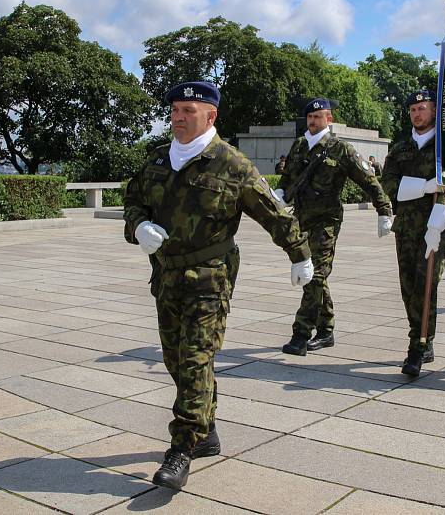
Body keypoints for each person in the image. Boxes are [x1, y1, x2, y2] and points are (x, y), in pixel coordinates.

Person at [123, 81, 313, 489]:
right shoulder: (158, 160)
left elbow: (274, 213)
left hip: (211, 277)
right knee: (177, 359)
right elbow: (133, 199)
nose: (177, 117)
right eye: (174, 109)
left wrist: (301, 255)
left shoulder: (232, 164)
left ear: (210, 116)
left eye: (187, 110)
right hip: (166, 276)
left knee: (195, 358)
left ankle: (182, 447)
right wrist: (138, 225)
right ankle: (205, 432)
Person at [276, 98, 392, 355]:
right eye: (310, 117)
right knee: (317, 277)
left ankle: (301, 334)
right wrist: (279, 194)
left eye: (318, 117)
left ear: (329, 119)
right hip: (302, 219)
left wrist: (384, 210)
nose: (313, 121)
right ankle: (326, 330)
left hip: (327, 222)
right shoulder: (300, 146)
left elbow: (368, 180)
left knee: (315, 274)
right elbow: (288, 179)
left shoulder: (341, 149)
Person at [380, 90, 445, 376]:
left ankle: (418, 345)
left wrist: (438, 221)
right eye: (413, 110)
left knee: (426, 286)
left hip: (434, 227)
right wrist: (423, 187)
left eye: (422, 109)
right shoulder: (400, 149)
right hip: (405, 229)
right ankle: (421, 337)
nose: (417, 114)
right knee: (408, 287)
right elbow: (387, 184)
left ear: (433, 112)